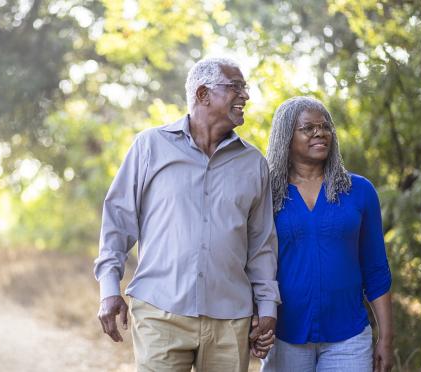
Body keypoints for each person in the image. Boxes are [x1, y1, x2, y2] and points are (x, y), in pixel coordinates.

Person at [94, 57, 280, 372]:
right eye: (235, 87)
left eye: (244, 88)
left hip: (230, 319)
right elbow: (117, 221)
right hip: (159, 311)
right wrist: (109, 289)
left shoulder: (254, 163)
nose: (245, 96)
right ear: (203, 94)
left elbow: (261, 244)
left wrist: (266, 307)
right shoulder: (150, 146)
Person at [258, 96, 393, 371]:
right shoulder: (265, 194)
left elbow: (376, 269)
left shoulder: (359, 191)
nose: (320, 132)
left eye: (325, 126)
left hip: (349, 338)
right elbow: (253, 264)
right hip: (284, 336)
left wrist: (386, 338)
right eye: (308, 128)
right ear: (286, 137)